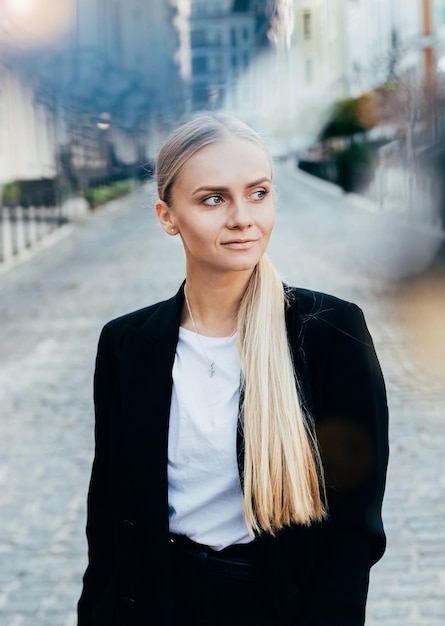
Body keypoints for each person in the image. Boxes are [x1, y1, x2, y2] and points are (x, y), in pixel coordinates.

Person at [77, 113, 388, 626]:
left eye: (259, 193)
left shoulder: (331, 332)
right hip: (156, 602)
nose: (243, 217)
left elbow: (354, 528)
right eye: (213, 198)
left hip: (271, 605)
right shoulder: (126, 343)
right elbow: (109, 514)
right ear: (166, 215)